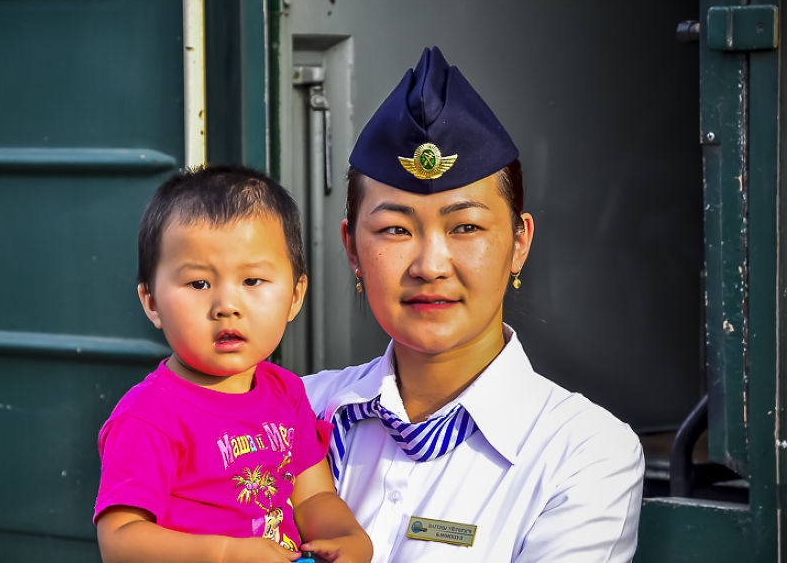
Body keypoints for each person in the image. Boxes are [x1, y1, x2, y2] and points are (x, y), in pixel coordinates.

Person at [303, 47, 644, 562]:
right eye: (395, 229)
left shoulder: (582, 452)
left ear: (519, 242)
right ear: (352, 247)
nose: (430, 265)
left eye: (466, 227)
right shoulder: (287, 414)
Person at [94, 165, 373, 563]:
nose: (227, 306)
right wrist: (224, 553)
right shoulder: (148, 417)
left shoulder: (286, 393)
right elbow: (120, 541)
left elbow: (314, 494)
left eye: (252, 281)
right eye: (199, 284)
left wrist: (346, 536)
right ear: (152, 302)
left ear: (295, 296)